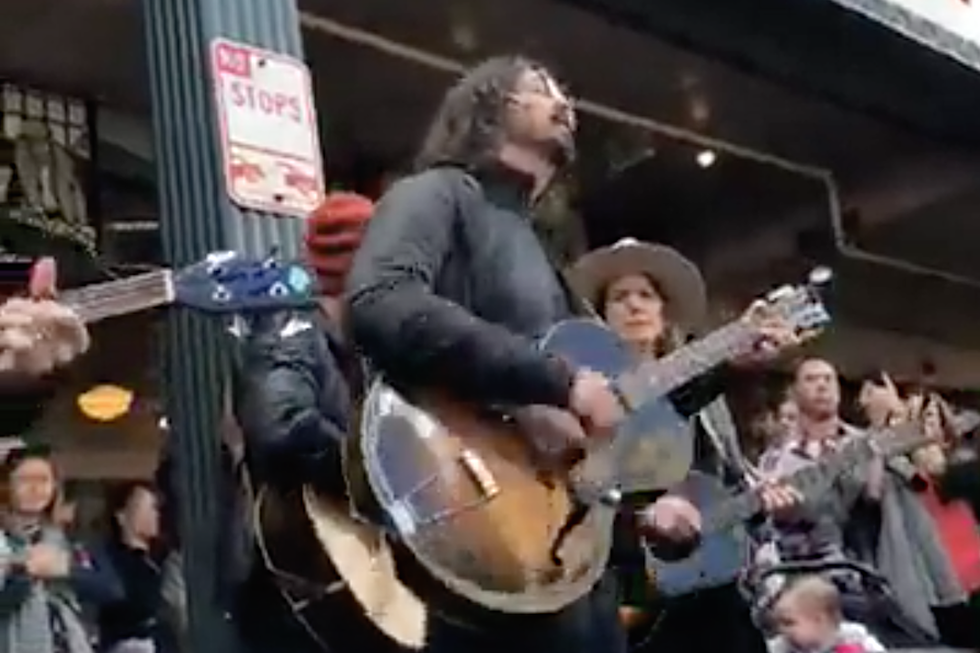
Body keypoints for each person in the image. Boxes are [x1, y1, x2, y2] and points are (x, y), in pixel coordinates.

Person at [345, 55, 797, 653]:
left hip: (560, 560)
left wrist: (726, 365)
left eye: (565, 92)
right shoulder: (436, 194)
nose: (565, 104)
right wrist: (558, 382)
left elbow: (618, 407)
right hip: (467, 522)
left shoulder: (541, 253)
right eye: (538, 90)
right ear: (486, 110)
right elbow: (380, 301)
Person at [568, 238, 803, 653]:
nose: (634, 305)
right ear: (602, 316)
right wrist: (639, 515)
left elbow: (723, 481)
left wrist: (757, 504)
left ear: (664, 313)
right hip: (623, 581)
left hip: (705, 579)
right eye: (619, 297)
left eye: (646, 295)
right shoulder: (583, 391)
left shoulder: (709, 408)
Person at [230, 191, 380, 653]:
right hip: (301, 590)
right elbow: (281, 425)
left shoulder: (371, 347)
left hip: (353, 580)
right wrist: (376, 474)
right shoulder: (289, 325)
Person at [758, 358, 946, 647]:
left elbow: (877, 496)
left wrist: (884, 431)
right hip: (794, 580)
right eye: (811, 379)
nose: (821, 385)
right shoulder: (775, 458)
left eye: (828, 379)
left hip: (859, 576)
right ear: (795, 392)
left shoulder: (865, 442)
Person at [0, 445, 120, 653]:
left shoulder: (71, 539)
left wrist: (67, 569)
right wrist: (25, 573)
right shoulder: (5, 539)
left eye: (44, 481)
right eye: (24, 480)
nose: (35, 489)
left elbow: (112, 589)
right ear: (5, 485)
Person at [97, 482, 169, 653]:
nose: (154, 514)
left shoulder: (160, 560)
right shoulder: (111, 560)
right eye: (145, 508)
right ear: (121, 516)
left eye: (156, 508)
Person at [767, 576, 884, 653]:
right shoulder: (783, 646)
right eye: (779, 623)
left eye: (789, 623)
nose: (782, 630)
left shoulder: (852, 637)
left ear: (818, 620)